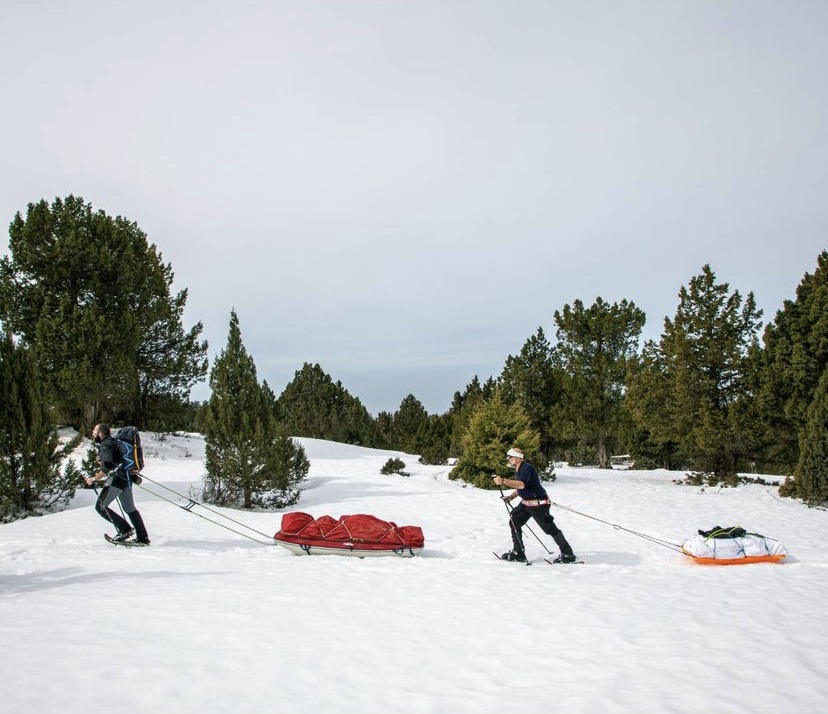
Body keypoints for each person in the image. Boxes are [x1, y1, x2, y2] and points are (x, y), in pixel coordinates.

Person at [493, 446, 577, 563]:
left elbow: (521, 485)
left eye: (510, 457)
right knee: (514, 522)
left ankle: (568, 554)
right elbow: (523, 487)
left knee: (550, 529)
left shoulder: (526, 468)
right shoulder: (519, 469)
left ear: (517, 458)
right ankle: (519, 553)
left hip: (538, 505)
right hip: (526, 504)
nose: (508, 459)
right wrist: (511, 497)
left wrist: (503, 481)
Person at [85, 423, 150, 545]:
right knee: (130, 508)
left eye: (94, 431)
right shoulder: (112, 442)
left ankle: (125, 530)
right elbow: (114, 461)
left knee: (100, 507)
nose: (92, 433)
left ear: (101, 433)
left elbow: (108, 467)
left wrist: (94, 479)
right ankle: (143, 537)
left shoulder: (106, 444)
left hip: (118, 479)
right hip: (126, 478)